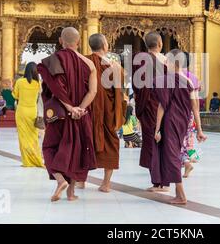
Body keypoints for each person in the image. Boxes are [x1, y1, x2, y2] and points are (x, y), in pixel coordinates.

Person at [37, 27, 97, 202]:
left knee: (49, 148)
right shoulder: (89, 64)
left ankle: (60, 180)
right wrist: (80, 109)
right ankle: (71, 194)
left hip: (60, 115)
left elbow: (56, 88)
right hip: (81, 115)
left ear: (61, 41)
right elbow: (92, 92)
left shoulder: (54, 60)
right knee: (74, 151)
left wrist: (71, 108)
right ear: (78, 42)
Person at [152, 49, 207, 205]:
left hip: (169, 121)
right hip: (183, 121)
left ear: (169, 62)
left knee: (172, 155)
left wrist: (157, 129)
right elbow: (195, 107)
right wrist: (199, 130)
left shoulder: (164, 80)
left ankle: (181, 195)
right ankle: (178, 193)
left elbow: (162, 107)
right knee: (175, 153)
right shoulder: (189, 82)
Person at [87, 34, 125, 193]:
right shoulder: (114, 66)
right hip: (108, 113)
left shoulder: (85, 62)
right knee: (111, 144)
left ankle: (80, 180)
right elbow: (121, 91)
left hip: (88, 111)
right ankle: (106, 183)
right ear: (105, 46)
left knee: (84, 143)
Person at [132, 31, 168, 192]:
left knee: (151, 143)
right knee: (164, 143)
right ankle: (163, 181)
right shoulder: (169, 62)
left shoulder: (139, 61)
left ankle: (159, 182)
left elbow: (137, 86)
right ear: (160, 44)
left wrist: (139, 107)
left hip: (149, 107)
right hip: (166, 108)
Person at [12, 62, 45, 168]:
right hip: (33, 111)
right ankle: (37, 160)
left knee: (23, 137)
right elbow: (40, 97)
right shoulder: (38, 83)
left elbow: (15, 95)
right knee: (33, 137)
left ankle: (27, 162)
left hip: (21, 111)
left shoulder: (20, 82)